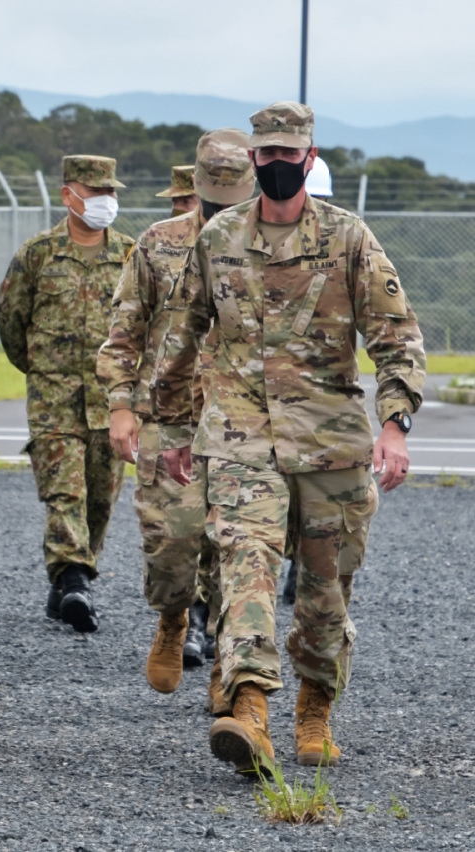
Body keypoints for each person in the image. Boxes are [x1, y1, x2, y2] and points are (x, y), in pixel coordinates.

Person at [152, 101, 426, 773]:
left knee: (325, 590)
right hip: (239, 437)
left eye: (288, 154)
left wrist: (394, 425)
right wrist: (174, 423)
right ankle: (247, 710)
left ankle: (314, 710)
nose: (277, 165)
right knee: (244, 563)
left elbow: (398, 337)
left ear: (308, 157)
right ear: (253, 160)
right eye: (266, 154)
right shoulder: (217, 242)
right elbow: (180, 337)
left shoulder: (348, 238)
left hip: (330, 443)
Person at [97, 129, 255, 706]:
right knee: (171, 545)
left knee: (232, 550)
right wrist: (120, 405)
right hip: (170, 417)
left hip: (242, 419)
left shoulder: (266, 243)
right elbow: (123, 332)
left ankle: (223, 665)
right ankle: (171, 619)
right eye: (211, 198)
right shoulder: (158, 244)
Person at [0, 155, 134, 633]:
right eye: (93, 193)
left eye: (109, 193)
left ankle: (69, 581)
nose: (103, 202)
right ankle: (73, 576)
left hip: (110, 402)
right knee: (63, 492)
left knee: (100, 497)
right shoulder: (37, 255)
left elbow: (144, 325)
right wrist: (40, 371)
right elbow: (10, 320)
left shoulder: (132, 256)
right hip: (53, 400)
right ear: (67, 195)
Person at [281, 154, 333, 606]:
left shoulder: (342, 250)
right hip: (262, 405)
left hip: (318, 402)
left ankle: (301, 567)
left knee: (314, 497)